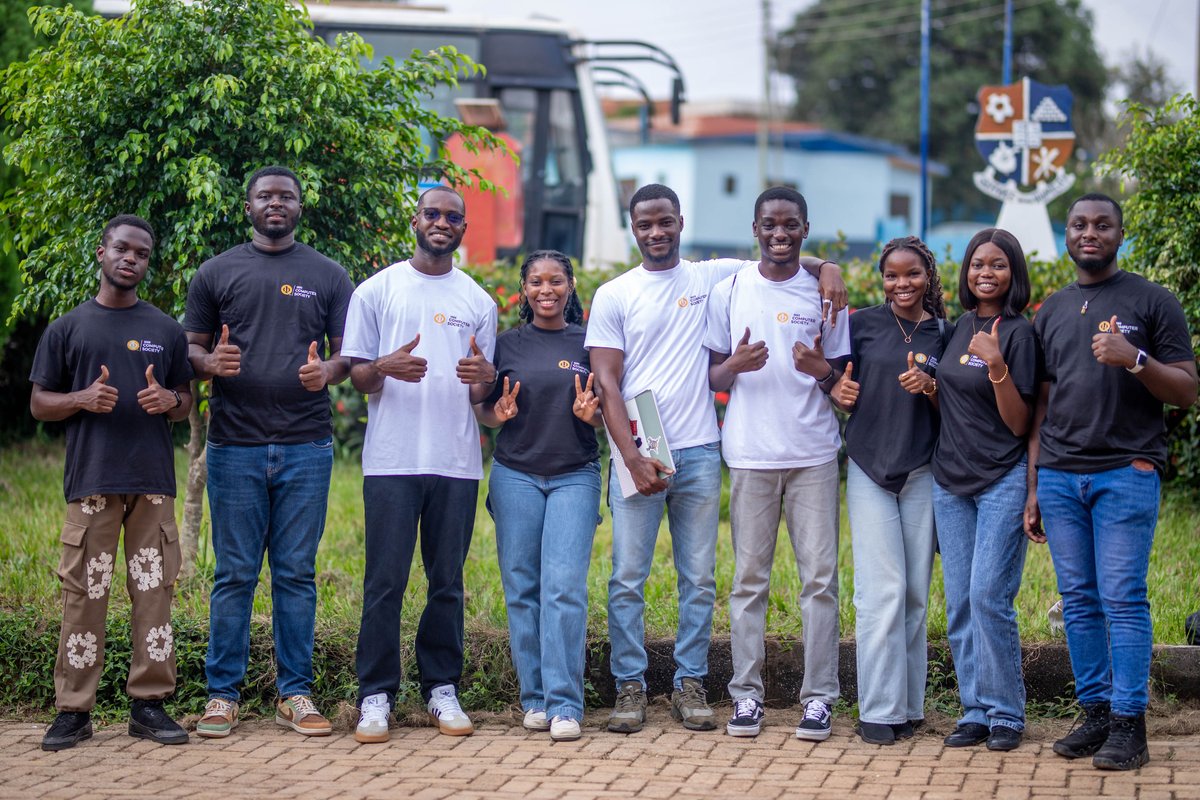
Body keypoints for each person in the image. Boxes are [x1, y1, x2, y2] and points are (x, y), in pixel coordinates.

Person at [586, 183, 847, 734]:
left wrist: (830, 268)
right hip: (642, 447)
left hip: (703, 448)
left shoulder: (712, 276)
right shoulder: (615, 293)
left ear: (682, 222)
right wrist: (630, 456)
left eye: (665, 222)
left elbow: (784, 249)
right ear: (633, 229)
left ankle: (690, 683)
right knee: (628, 576)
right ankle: (630, 687)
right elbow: (607, 383)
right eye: (644, 224)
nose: (656, 232)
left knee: (700, 579)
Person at [1026, 194, 1197, 770]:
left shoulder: (1152, 300)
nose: (1090, 233)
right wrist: (1034, 485)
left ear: (1121, 234)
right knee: (1078, 601)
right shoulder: (1051, 311)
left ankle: (1131, 725)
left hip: (1127, 470)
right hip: (1059, 476)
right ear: (1066, 234)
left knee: (1122, 597)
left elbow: (1187, 390)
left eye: (1102, 224)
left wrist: (1135, 359)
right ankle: (1095, 714)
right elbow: (1042, 404)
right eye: (1079, 225)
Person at [185, 166, 355, 739]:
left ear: (300, 207)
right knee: (234, 573)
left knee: (295, 573)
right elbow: (190, 347)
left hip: (306, 445)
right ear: (248, 206)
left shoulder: (328, 275)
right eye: (265, 196)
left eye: (286, 196)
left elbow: (347, 356)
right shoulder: (216, 272)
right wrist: (209, 364)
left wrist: (324, 372)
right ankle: (221, 696)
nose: (275, 203)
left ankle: (296, 693)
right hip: (234, 445)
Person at [342, 186, 498, 744]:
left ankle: (440, 688)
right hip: (391, 461)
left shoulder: (480, 301)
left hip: (456, 462)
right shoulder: (376, 290)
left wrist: (490, 392)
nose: (441, 222)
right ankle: (376, 695)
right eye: (432, 214)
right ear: (415, 220)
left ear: (463, 227)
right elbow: (359, 376)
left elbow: (481, 401)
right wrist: (383, 365)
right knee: (384, 581)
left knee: (447, 583)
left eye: (452, 216)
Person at [31, 215, 193, 751]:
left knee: (154, 596)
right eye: (121, 249)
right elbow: (39, 404)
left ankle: (149, 706)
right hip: (93, 482)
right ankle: (74, 711)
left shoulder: (166, 330)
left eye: (141, 253)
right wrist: (80, 399)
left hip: (152, 485)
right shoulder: (68, 328)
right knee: (85, 595)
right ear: (101, 252)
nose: (131, 258)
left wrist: (171, 401)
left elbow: (184, 400)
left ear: (148, 262)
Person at [704, 186, 850, 740]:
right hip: (749, 454)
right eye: (770, 224)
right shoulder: (731, 289)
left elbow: (842, 386)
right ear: (755, 228)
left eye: (791, 224)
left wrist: (819, 370)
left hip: (813, 453)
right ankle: (746, 696)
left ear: (805, 229)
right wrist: (735, 365)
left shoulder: (824, 292)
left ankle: (818, 700)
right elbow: (713, 376)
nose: (780, 233)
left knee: (820, 580)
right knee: (748, 581)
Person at [475, 250, 603, 743]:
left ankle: (566, 703)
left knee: (564, 587)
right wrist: (497, 415)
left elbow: (604, 414)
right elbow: (485, 410)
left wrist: (589, 414)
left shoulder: (590, 342)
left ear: (571, 285)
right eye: (535, 282)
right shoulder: (505, 344)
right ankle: (535, 698)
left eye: (554, 281)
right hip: (516, 475)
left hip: (575, 474)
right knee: (522, 588)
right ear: (524, 289)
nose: (545, 289)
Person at [829, 236, 950, 746]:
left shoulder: (948, 332)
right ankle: (877, 709)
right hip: (870, 469)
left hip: (922, 469)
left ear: (929, 277)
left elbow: (964, 402)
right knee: (882, 591)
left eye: (912, 275)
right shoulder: (861, 326)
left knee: (916, 595)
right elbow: (830, 376)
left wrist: (935, 387)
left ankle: (908, 706)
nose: (902, 284)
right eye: (892, 276)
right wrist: (834, 388)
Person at [932, 228, 1038, 752]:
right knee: (958, 601)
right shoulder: (958, 327)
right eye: (977, 264)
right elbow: (953, 402)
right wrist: (929, 386)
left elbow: (1019, 423)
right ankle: (974, 709)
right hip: (950, 480)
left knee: (989, 597)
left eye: (997, 265)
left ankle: (1006, 713)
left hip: (1001, 477)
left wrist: (997, 366)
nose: (985, 273)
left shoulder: (1019, 333)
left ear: (1013, 272)